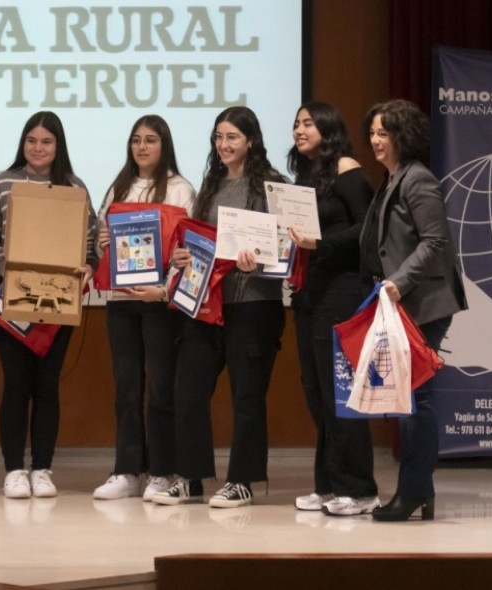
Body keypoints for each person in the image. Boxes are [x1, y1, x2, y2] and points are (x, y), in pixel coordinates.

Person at [152, 106, 286, 509]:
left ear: (251, 141)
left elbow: (286, 247)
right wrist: (181, 257)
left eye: (232, 137)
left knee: (247, 395)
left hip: (254, 304)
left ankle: (242, 480)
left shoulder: (273, 185)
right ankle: (190, 477)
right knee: (187, 388)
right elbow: (199, 240)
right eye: (218, 137)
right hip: (206, 304)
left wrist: (259, 259)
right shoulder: (209, 184)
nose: (223, 145)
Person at [0, 111, 98, 499]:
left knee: (47, 388)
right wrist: (4, 264)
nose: (38, 148)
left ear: (58, 146)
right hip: (13, 299)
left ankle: (42, 469)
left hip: (60, 302)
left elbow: (92, 244)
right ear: (22, 143)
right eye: (31, 140)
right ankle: (14, 470)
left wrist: (89, 267)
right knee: (15, 385)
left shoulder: (75, 188)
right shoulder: (3, 185)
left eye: (46, 141)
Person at [359, 99, 467, 521]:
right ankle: (418, 490)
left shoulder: (418, 180)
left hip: (423, 304)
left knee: (414, 398)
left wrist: (399, 282)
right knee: (407, 398)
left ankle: (416, 489)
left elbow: (435, 242)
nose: (375, 141)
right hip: (400, 305)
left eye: (383, 133)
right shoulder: (391, 179)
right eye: (372, 132)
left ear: (403, 137)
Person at [91, 115, 196, 501]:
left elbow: (187, 251)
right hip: (121, 302)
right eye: (136, 140)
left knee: (161, 389)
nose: (142, 147)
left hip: (159, 303)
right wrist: (103, 241)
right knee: (127, 388)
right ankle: (127, 470)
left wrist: (164, 290)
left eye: (150, 140)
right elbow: (103, 245)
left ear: (164, 145)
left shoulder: (181, 189)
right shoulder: (119, 187)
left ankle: (162, 471)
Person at [285, 102, 380, 517]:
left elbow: (368, 228)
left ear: (328, 127)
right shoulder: (307, 177)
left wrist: (318, 244)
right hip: (309, 292)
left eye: (308, 123)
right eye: (296, 124)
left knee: (341, 390)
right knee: (316, 390)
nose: (299, 129)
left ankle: (360, 489)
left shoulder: (347, 168)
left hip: (341, 291)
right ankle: (328, 484)